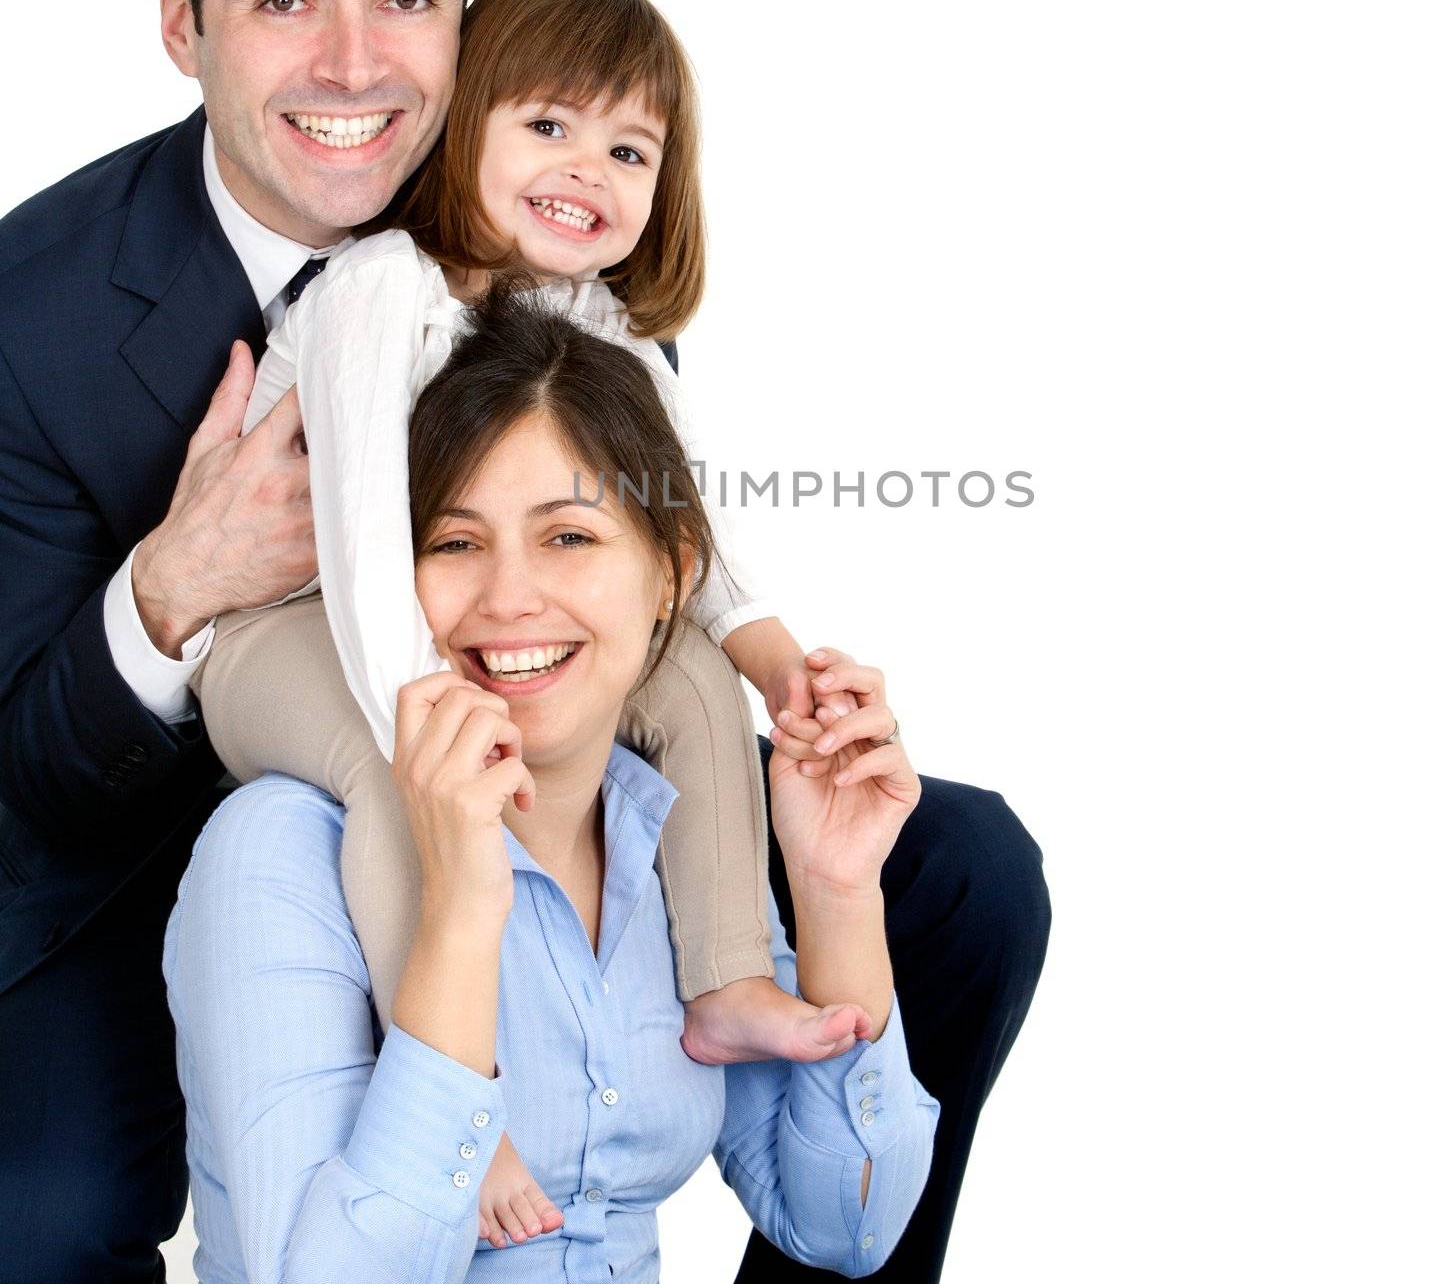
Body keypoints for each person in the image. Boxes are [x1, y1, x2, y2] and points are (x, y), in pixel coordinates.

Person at [0, 0, 1049, 1283]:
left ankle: (728, 1023)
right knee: (39, 1208)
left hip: (495, 727)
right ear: (182, 20)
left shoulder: (555, 253)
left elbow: (634, 557)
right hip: (145, 832)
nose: (356, 65)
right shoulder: (32, 316)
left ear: (466, 18)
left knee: (958, 870)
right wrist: (164, 596)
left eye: (409, 1)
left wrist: (760, 668)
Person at [191, 0, 892, 1246]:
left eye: (630, 149)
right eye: (549, 126)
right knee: (393, 767)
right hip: (291, 627)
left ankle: (730, 971)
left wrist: (776, 661)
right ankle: (470, 1089)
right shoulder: (380, 289)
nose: (588, 169)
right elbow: (355, 541)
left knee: (679, 680)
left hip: (433, 615)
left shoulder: (600, 327)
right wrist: (436, 706)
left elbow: (683, 533)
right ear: (467, 125)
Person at [164, 281, 939, 1280]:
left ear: (673, 573)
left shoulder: (667, 838)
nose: (509, 597)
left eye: (569, 536)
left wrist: (838, 892)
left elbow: (849, 1227)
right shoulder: (278, 854)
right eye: (452, 543)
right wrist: (456, 923)